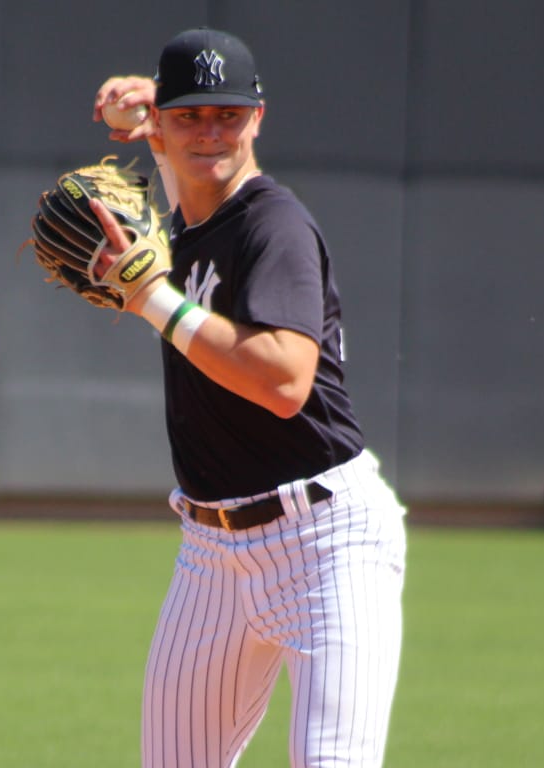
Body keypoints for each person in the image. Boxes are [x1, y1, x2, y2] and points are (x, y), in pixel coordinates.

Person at [87, 27, 408, 768]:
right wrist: (124, 114)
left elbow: (285, 381)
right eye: (191, 115)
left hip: (329, 543)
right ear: (163, 126)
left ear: (257, 119)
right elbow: (177, 159)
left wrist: (153, 301)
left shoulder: (275, 225)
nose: (211, 132)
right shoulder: (190, 210)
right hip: (211, 554)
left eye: (228, 114)